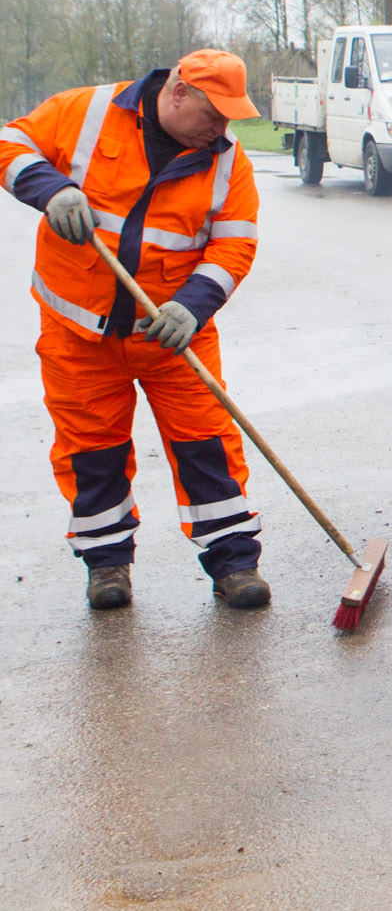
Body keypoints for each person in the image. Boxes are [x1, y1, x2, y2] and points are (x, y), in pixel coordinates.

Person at [0, 51, 268, 610]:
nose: (221, 129)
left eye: (229, 119)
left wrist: (192, 307)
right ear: (177, 92)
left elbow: (235, 245)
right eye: (213, 114)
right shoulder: (85, 110)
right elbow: (10, 143)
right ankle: (107, 567)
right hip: (79, 335)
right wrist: (50, 189)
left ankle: (235, 564)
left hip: (173, 336)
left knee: (208, 445)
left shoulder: (227, 161)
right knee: (91, 451)